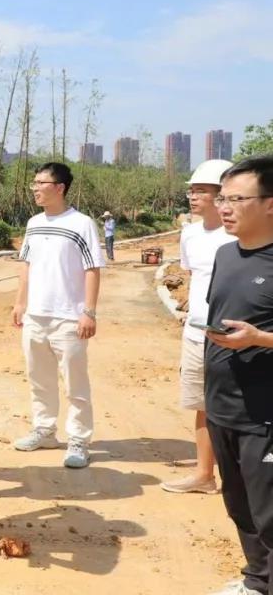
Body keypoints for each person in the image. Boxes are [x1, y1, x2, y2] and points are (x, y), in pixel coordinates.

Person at [200, 156, 273, 595]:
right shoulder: (226, 254)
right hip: (223, 405)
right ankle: (258, 581)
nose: (223, 207)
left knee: (270, 513)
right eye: (221, 198)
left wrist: (260, 339)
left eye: (236, 199)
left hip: (265, 412)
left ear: (270, 205)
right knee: (240, 505)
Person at [11, 162, 105, 469]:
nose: (35, 188)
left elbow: (92, 269)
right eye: (33, 183)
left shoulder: (82, 224)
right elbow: (26, 266)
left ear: (60, 187)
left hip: (68, 316)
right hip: (36, 315)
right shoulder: (34, 223)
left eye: (41, 183)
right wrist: (19, 303)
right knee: (40, 379)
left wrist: (88, 312)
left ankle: (78, 439)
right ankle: (45, 429)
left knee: (74, 382)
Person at [162, 159, 235, 496]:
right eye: (191, 191)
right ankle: (204, 474)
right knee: (202, 405)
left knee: (240, 407)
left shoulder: (237, 235)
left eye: (201, 191)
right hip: (196, 333)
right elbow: (193, 275)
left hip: (233, 335)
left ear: (223, 195)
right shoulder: (189, 234)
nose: (193, 197)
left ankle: (245, 478)